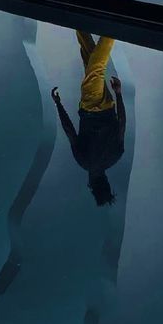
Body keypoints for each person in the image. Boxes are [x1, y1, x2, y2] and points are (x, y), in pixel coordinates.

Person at [52, 32, 125, 206]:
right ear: (92, 186)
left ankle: (80, 18)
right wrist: (58, 104)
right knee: (96, 68)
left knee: (88, 56)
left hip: (108, 106)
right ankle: (114, 27)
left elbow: (122, 124)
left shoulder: (115, 156)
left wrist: (118, 95)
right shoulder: (84, 162)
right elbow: (69, 131)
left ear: (106, 182)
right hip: (91, 104)